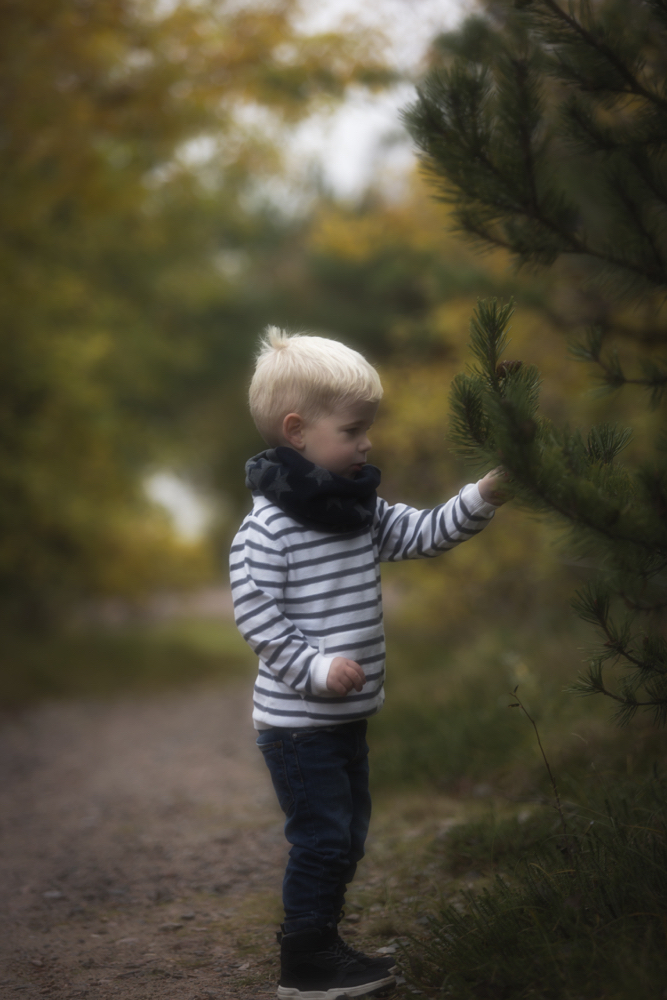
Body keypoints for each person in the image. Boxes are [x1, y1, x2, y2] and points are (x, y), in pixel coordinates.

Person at [229, 327, 507, 1000]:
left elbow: (421, 533)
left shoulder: (355, 510)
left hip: (344, 719)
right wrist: (317, 668)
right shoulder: (266, 530)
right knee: (322, 839)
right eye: (353, 430)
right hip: (298, 723)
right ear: (297, 430)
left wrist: (482, 496)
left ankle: (323, 942)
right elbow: (257, 617)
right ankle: (305, 966)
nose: (367, 443)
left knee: (346, 834)